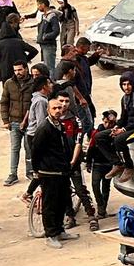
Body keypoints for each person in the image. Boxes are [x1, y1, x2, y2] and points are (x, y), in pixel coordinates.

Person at [32, 93, 77, 248]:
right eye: (55, 108)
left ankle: (59, 230)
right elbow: (35, 150)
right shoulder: (44, 128)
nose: (58, 110)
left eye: (60, 107)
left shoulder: (60, 125)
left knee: (62, 202)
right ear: (48, 110)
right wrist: (37, 170)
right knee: (50, 205)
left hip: (62, 172)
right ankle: (51, 234)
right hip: (48, 173)